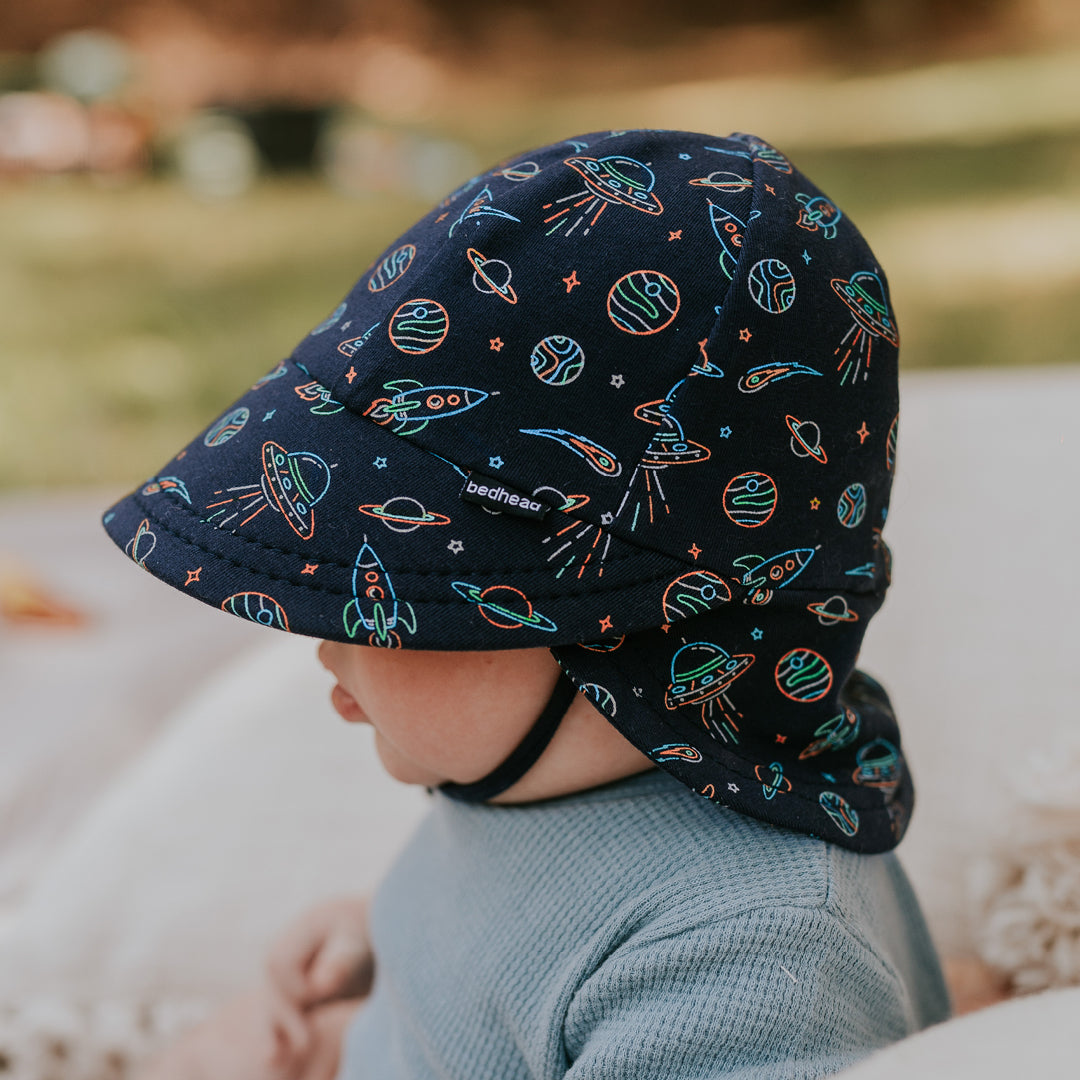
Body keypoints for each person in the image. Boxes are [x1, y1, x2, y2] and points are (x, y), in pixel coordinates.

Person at [103, 128, 951, 1079]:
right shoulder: (547, 766)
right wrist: (380, 978)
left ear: (622, 636)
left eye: (373, 598)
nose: (321, 650)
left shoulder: (755, 964)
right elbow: (524, 951)